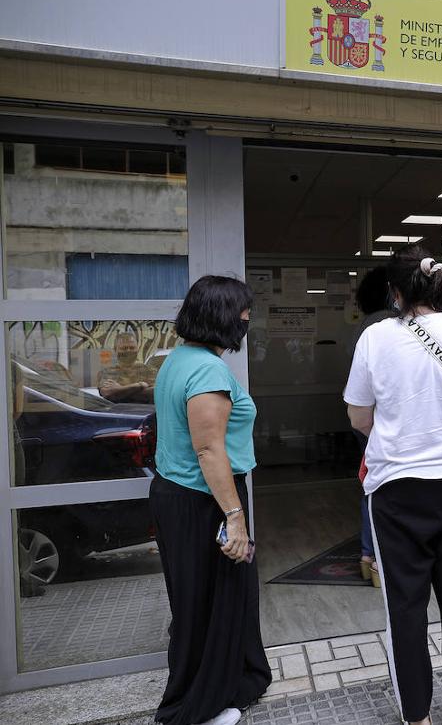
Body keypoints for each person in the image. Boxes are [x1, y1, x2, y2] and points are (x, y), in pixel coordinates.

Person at [345, 245, 442, 725]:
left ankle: (417, 716)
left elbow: (358, 414)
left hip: (395, 489)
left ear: (395, 291)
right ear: (440, 287)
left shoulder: (374, 338)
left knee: (406, 608)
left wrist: (398, 437)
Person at [150, 276, 269, 725]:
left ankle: (229, 684)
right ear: (221, 315)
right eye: (243, 311)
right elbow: (208, 449)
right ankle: (198, 708)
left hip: (182, 496)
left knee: (205, 599)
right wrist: (234, 517)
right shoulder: (207, 370)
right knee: (208, 603)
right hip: (203, 501)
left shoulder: (179, 359)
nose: (247, 319)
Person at [351, 266, 395, 586]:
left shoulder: (366, 324)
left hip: (366, 416)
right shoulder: (386, 323)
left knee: (371, 482)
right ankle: (379, 558)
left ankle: (369, 555)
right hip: (383, 420)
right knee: (383, 488)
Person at [99, 332, 158, 403]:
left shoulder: (149, 370)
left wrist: (119, 389)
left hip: (145, 412)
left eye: (132, 348)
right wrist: (139, 386)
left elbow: (155, 393)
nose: (128, 350)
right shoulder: (107, 372)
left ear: (137, 349)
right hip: (116, 413)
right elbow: (107, 393)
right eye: (124, 348)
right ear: (115, 350)